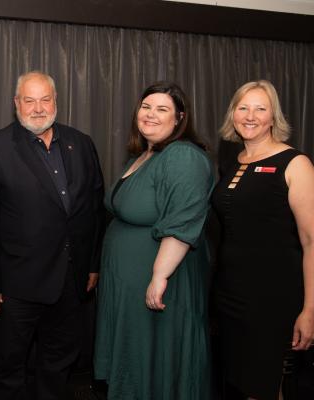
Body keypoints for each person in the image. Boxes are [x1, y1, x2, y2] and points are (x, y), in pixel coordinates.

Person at [0, 71, 105, 400]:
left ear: (56, 102)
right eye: (29, 100)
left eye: (45, 100)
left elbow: (94, 208)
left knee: (58, 362)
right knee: (8, 367)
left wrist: (92, 265)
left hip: (70, 281)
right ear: (16, 103)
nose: (38, 108)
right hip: (15, 286)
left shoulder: (81, 143)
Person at [93, 81, 214, 399]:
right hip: (129, 283)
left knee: (154, 364)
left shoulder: (183, 156)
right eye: (146, 107)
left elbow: (181, 222)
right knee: (134, 362)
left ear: (179, 118)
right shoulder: (144, 155)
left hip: (160, 282)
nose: (150, 114)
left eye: (162, 109)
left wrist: (159, 277)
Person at [212, 80, 314, 400]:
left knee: (261, 387)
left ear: (273, 116)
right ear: (233, 113)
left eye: (260, 109)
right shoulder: (235, 162)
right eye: (243, 108)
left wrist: (310, 310)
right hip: (230, 293)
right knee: (242, 384)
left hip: (272, 295)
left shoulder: (295, 164)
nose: (250, 116)